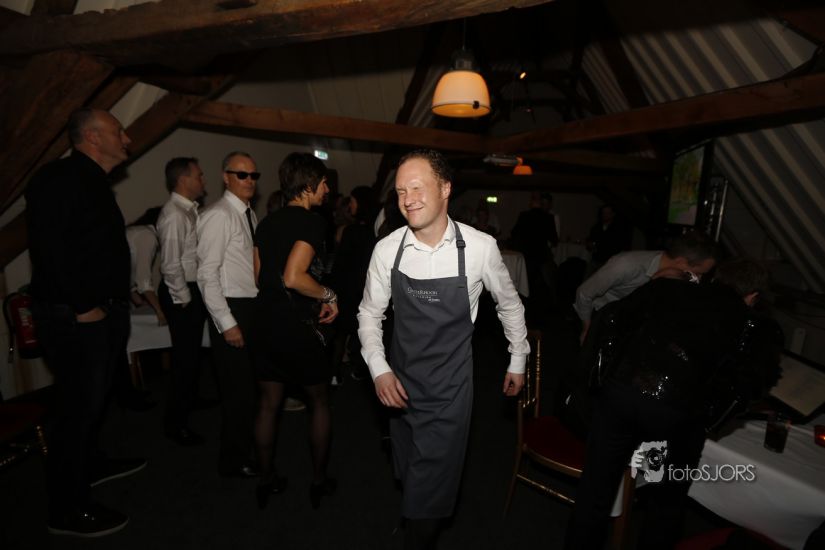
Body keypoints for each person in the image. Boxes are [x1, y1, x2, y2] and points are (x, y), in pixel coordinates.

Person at [357, 149, 529, 549]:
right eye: (401, 191)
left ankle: (418, 531)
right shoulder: (388, 249)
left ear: (446, 188)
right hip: (399, 385)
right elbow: (369, 314)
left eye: (417, 188)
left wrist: (518, 358)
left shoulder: (480, 247)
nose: (408, 199)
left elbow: (509, 304)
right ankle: (413, 514)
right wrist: (379, 369)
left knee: (432, 490)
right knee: (407, 467)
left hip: (449, 390)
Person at [565, 258, 782, 549]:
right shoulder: (751, 325)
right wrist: (709, 415)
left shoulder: (667, 289)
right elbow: (750, 383)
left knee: (594, 491)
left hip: (622, 394)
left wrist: (603, 378)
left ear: (717, 277)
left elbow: (612, 319)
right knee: (667, 502)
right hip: (679, 415)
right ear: (753, 296)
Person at [26, 108, 146, 537]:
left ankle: (91, 465)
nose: (127, 139)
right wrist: (82, 306)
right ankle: (66, 509)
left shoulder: (90, 180)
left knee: (92, 403)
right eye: (119, 131)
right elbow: (50, 248)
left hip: (99, 310)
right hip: (76, 315)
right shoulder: (58, 179)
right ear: (92, 137)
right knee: (75, 411)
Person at [251, 152, 338, 510]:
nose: (327, 190)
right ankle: (318, 480)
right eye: (324, 183)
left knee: (268, 404)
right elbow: (293, 277)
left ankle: (266, 479)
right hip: (297, 325)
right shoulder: (312, 222)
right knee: (318, 401)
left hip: (265, 322)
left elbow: (259, 277)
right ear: (309, 184)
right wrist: (329, 294)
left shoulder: (265, 223)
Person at [197, 151, 260, 477]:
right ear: (226, 177)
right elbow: (206, 275)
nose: (249, 180)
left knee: (247, 389)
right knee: (237, 393)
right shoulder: (219, 215)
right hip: (232, 309)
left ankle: (245, 451)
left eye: (253, 175)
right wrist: (227, 323)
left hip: (248, 307)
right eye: (241, 174)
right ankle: (233, 462)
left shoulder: (248, 213)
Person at [573, 230, 718, 344]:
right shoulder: (625, 265)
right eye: (699, 273)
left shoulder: (676, 273)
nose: (699, 279)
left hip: (628, 317)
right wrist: (587, 328)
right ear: (680, 262)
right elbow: (584, 293)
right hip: (601, 315)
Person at [157, 157, 208, 446]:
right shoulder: (175, 214)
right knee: (184, 359)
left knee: (191, 355)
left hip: (189, 288)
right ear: (183, 180)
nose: (203, 181)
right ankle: (175, 424)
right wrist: (185, 299)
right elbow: (169, 264)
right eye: (199, 176)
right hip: (181, 292)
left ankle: (191, 399)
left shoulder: (187, 210)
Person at [329, 185, 378, 382]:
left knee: (340, 334)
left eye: (353, 200)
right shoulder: (374, 231)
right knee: (363, 332)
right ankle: (362, 371)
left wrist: (331, 291)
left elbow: (340, 265)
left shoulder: (351, 231)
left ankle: (334, 375)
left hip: (347, 288)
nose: (350, 205)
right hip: (363, 289)